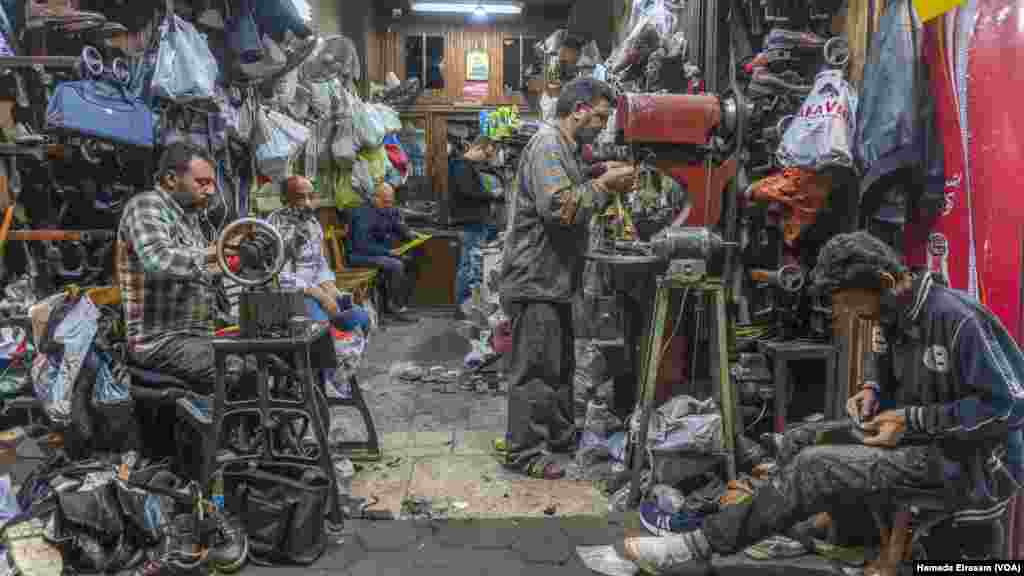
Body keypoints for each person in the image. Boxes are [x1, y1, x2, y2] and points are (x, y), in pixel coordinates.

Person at [621, 231, 1024, 574]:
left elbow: (1010, 407)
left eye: (850, 303)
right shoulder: (893, 314)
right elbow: (887, 375)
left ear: (886, 281)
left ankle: (695, 547)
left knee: (815, 466)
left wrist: (913, 419)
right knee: (799, 439)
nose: (847, 314)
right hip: (923, 440)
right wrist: (872, 391)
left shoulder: (957, 319)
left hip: (971, 463)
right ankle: (820, 533)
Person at [116, 142, 247, 571]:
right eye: (202, 181)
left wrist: (233, 263)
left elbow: (211, 271)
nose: (210, 189)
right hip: (158, 341)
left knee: (258, 354)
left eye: (212, 182)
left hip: (193, 336)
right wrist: (219, 251)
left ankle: (232, 468)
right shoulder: (145, 207)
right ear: (172, 178)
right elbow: (159, 260)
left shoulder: (190, 219)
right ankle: (204, 495)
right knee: (229, 367)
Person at [498, 77, 636, 479]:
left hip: (555, 279)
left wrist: (597, 170)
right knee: (535, 371)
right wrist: (603, 184)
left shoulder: (566, 148)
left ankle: (559, 436)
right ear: (578, 110)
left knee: (559, 367)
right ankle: (524, 452)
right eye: (600, 117)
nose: (602, 127)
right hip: (535, 279)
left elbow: (572, 182)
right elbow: (560, 208)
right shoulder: (547, 145)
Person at [266, 175, 370, 334]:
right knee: (323, 333)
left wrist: (332, 290)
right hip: (291, 295)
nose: (308, 203)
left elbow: (319, 263)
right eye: (301, 197)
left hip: (315, 289)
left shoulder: (312, 223)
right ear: (285, 199)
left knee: (360, 318)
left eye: (311, 197)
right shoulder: (274, 226)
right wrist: (320, 296)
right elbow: (279, 277)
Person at [348, 181, 423, 323]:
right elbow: (361, 245)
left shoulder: (386, 208)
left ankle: (394, 304)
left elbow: (396, 224)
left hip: (379, 253)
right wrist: (388, 252)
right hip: (359, 255)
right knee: (395, 265)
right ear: (375, 198)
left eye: (391, 201)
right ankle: (396, 308)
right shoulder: (362, 214)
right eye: (385, 202)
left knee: (410, 259)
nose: (389, 205)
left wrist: (409, 233)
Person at [451, 135, 502, 311]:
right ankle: (463, 307)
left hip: (473, 222)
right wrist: (492, 195)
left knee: (471, 265)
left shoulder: (467, 167)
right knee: (469, 266)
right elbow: (468, 192)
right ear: (479, 147)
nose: (486, 160)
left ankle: (467, 307)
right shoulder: (461, 166)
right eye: (486, 155)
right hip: (470, 223)